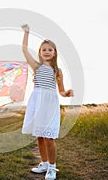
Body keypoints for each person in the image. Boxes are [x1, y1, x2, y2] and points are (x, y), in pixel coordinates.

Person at [21, 24, 74, 180]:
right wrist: (26, 33)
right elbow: (24, 50)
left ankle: (52, 167)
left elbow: (61, 91)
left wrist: (67, 93)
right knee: (39, 136)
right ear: (39, 52)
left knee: (49, 138)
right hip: (37, 102)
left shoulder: (58, 71)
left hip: (50, 104)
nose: (46, 52)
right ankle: (43, 163)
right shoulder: (36, 67)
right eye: (44, 49)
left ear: (55, 53)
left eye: (50, 49)